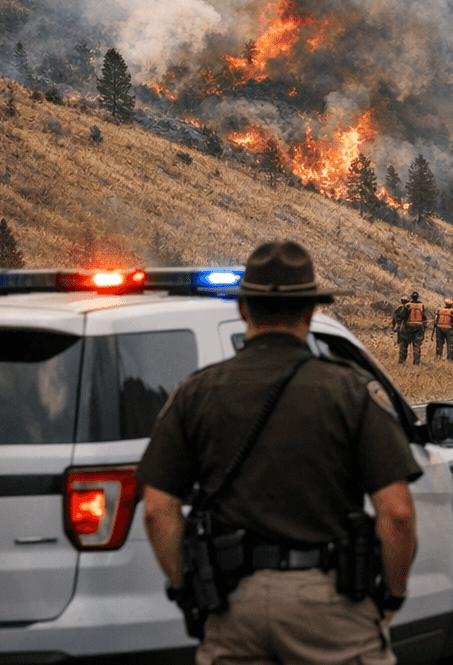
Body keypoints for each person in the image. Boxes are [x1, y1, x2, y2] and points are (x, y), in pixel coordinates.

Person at [136, 240, 421, 665]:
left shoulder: (195, 393)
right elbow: (396, 513)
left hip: (233, 606)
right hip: (329, 605)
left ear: (243, 310)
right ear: (309, 312)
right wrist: (391, 595)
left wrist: (190, 590)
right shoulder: (351, 390)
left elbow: (157, 510)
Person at [393, 291, 426, 366]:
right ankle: (417, 362)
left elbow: (402, 315)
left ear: (411, 297)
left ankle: (402, 362)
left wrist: (398, 323)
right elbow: (424, 317)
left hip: (407, 328)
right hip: (418, 327)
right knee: (416, 345)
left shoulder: (408, 305)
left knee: (404, 345)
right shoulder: (421, 305)